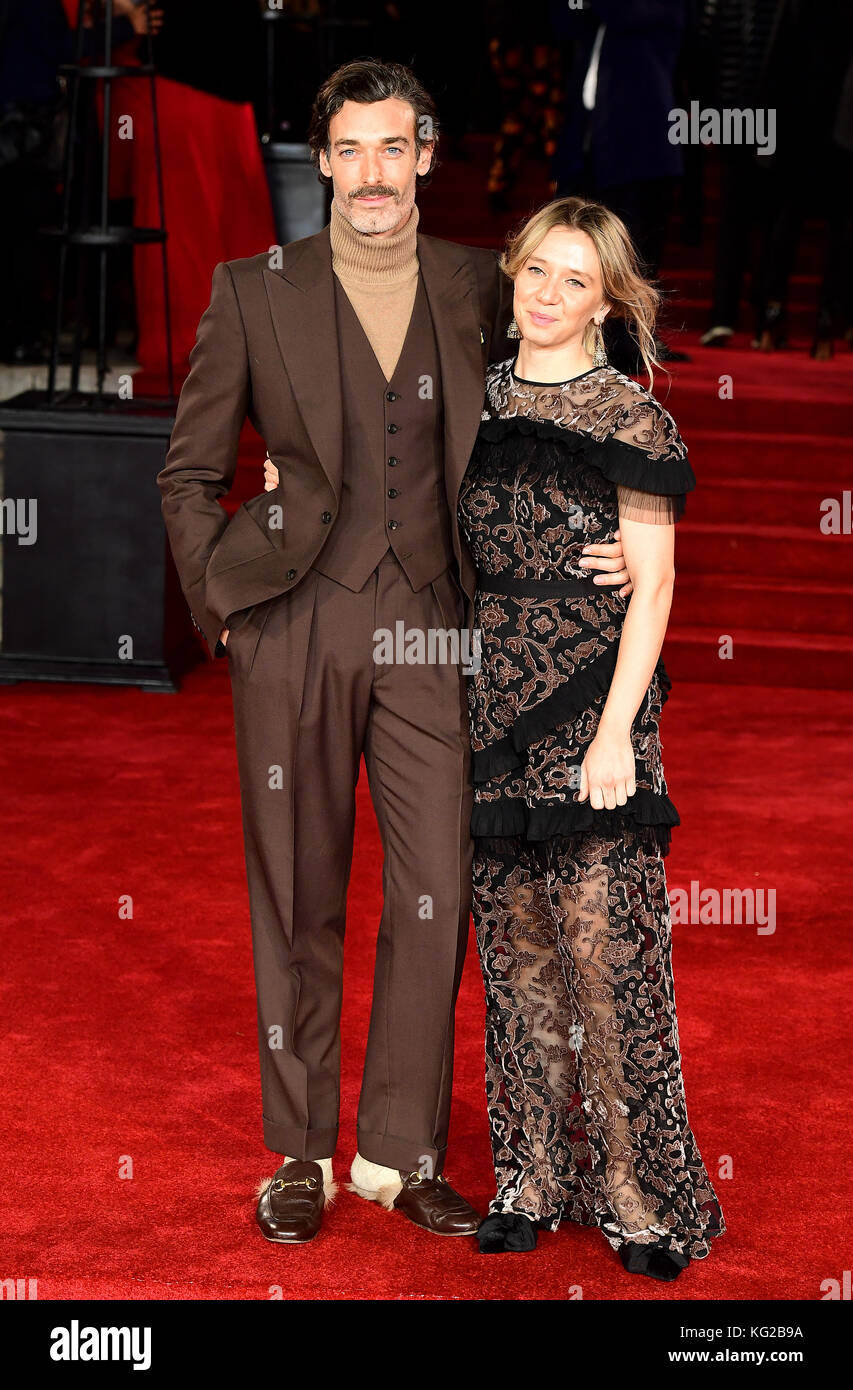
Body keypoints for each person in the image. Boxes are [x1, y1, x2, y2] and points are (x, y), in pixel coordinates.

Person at [157, 59, 631, 1245]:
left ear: (426, 155)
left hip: (436, 627)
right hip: (296, 620)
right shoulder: (251, 290)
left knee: (432, 897)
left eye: (394, 148)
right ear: (321, 162)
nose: (371, 173)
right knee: (298, 891)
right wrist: (226, 604)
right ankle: (301, 1152)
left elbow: (566, 392)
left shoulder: (480, 284)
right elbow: (187, 471)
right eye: (348, 150)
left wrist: (617, 539)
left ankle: (397, 1154)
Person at [456, 196, 725, 1278]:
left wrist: (617, 735)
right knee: (517, 964)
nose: (547, 294)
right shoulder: (464, 406)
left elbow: (653, 590)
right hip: (489, 716)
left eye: (575, 280)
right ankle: (528, 1171)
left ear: (608, 303)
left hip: (594, 714)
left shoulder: (631, 419)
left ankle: (629, 1188)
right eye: (534, 271)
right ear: (510, 275)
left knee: (606, 964)